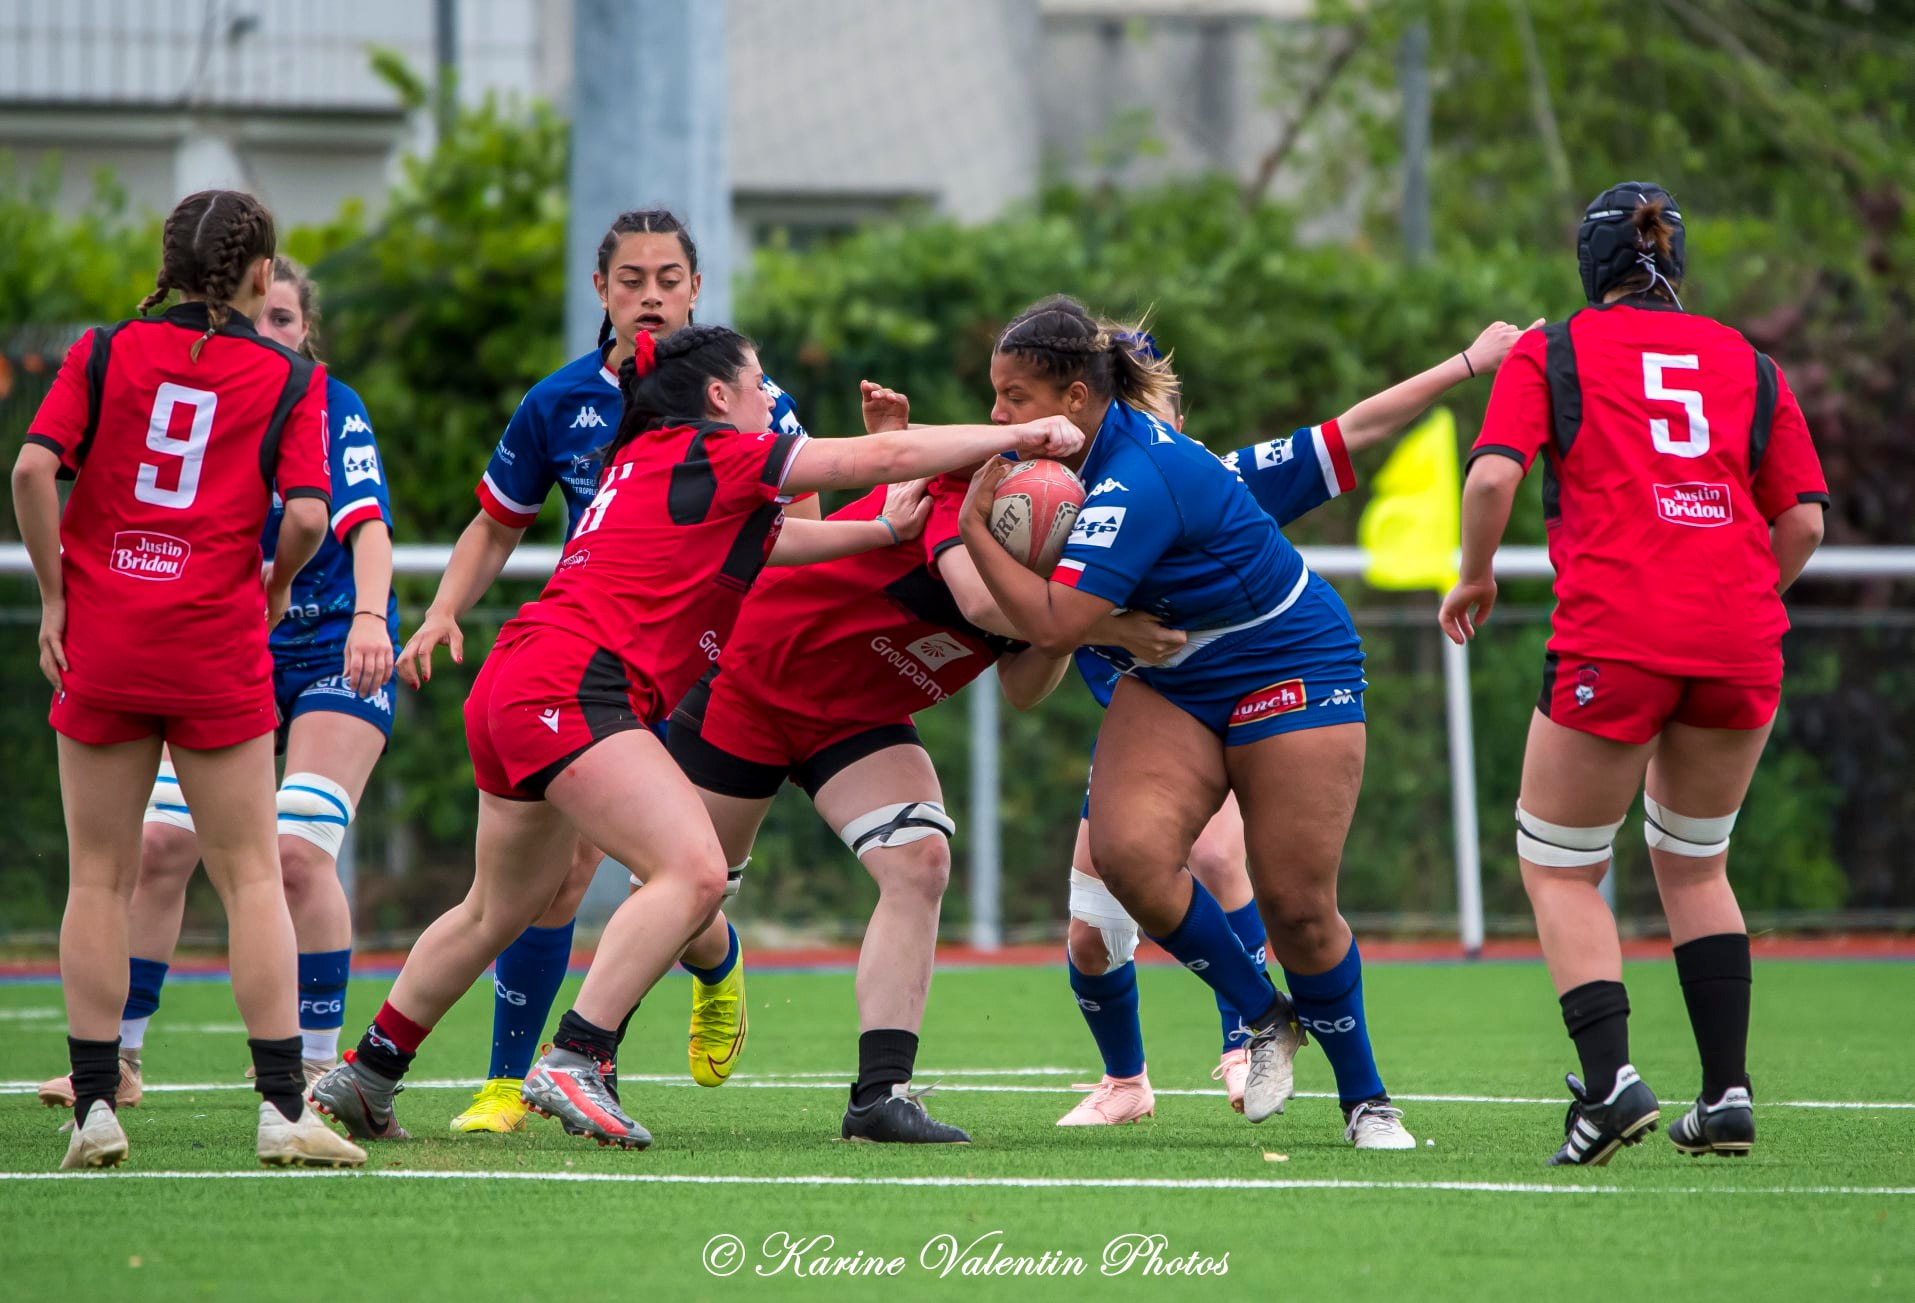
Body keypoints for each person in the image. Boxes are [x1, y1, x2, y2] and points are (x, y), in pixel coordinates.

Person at [310, 324, 1083, 1149]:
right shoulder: (719, 451)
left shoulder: (657, 458)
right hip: (576, 683)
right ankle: (576, 1056)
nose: (769, 402)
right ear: (718, 397)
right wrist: (1021, 436)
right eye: (757, 385)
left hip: (520, 676)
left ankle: (369, 1072)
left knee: (493, 909)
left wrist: (881, 532)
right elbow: (879, 459)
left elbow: (779, 540)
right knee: (695, 872)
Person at [396, 210, 817, 1134]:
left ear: (696, 288)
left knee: (668, 872)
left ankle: (688, 981)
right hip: (597, 658)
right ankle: (521, 1079)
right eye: (631, 279)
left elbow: (798, 523)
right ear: (601, 290)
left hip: (698, 662)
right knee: (571, 874)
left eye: (668, 278)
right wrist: (440, 610)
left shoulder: (749, 398)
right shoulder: (559, 401)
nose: (650, 295)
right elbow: (496, 524)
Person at [958, 295, 1411, 1149]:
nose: (997, 415)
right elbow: (1036, 658)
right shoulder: (1057, 464)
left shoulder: (1138, 477)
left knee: (1296, 907)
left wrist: (974, 531)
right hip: (1176, 673)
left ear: (1077, 398)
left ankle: (1367, 1099)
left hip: (1285, 657)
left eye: (1014, 396)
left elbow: (1053, 623)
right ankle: (1264, 1018)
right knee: (1127, 855)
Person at [1057, 322, 1530, 1133]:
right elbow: (1028, 643)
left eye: (1153, 400)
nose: (1144, 417)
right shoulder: (1054, 511)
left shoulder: (1209, 480)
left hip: (1260, 696)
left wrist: (1465, 364)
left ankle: (1308, 1070)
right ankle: (1132, 1076)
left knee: (1265, 886)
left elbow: (1354, 429)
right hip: (1153, 720)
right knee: (1093, 924)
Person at [1439, 183, 1827, 1165]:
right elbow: (1802, 522)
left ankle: (1610, 1085)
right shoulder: (1750, 362)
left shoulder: (1551, 348)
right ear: (1673, 264)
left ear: (1590, 265)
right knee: (1695, 862)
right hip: (1740, 639)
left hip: (1616, 632)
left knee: (1559, 864)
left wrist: (1475, 573)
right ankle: (1726, 1094)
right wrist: (1733, 599)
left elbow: (1491, 475)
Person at [666, 380, 1165, 1143]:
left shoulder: (1084, 543)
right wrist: (1109, 626)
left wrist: (1075, 618)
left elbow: (1024, 685)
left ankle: (879, 1096)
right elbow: (982, 606)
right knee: (678, 900)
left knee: (920, 861)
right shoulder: (965, 480)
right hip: (753, 683)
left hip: (855, 718)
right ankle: (678, 987)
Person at [11, 189, 366, 1170]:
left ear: (166, 265)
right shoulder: (291, 376)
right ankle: (283, 1109)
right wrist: (276, 585)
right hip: (214, 641)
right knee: (251, 877)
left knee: (99, 875)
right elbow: (307, 515)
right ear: (261, 275)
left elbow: (33, 471)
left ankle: (95, 1106)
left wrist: (55, 595)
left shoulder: (101, 351)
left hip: (107, 637)